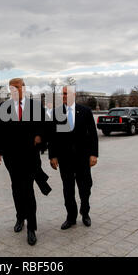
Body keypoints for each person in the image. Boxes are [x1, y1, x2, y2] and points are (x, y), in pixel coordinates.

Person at [0, 78, 48, 246]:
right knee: (16, 188)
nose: (14, 90)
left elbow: (46, 125)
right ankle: (19, 218)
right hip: (11, 157)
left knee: (28, 189)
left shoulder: (35, 106)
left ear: (23, 88)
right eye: (11, 88)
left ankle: (32, 227)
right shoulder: (3, 108)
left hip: (30, 155)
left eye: (17, 87)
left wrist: (40, 136)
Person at [48, 86, 98, 230]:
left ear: (73, 95)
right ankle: (71, 217)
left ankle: (85, 212)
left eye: (66, 93)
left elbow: (93, 135)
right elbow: (53, 137)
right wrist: (53, 156)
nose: (64, 96)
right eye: (62, 94)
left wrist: (94, 154)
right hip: (65, 159)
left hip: (83, 158)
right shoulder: (57, 113)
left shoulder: (85, 111)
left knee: (85, 188)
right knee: (68, 190)